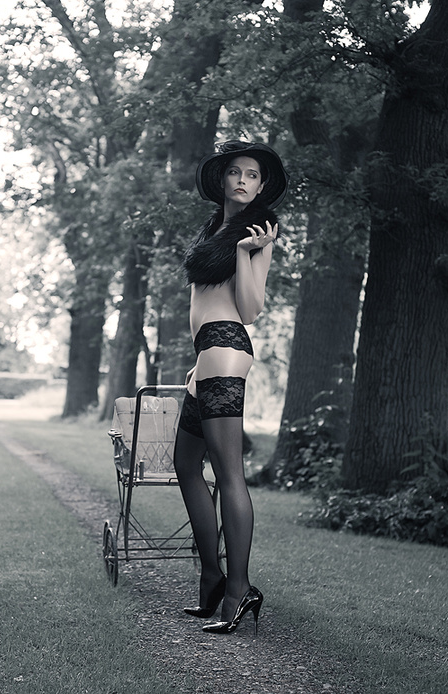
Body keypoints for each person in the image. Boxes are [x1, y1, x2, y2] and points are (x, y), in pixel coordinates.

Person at [173, 140, 288, 634]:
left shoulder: (259, 231)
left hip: (226, 346)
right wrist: (198, 364)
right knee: (185, 463)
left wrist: (244, 254)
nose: (243, 180)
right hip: (208, 356)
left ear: (261, 187)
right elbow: (203, 300)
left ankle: (239, 590)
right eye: (236, 172)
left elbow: (250, 309)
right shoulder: (212, 228)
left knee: (229, 475)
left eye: (253, 175)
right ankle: (211, 577)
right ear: (223, 179)